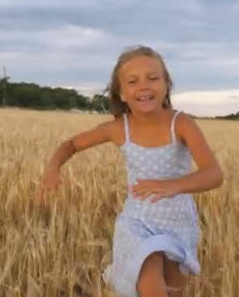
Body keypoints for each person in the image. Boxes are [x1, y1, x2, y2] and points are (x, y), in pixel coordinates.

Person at [34, 45, 224, 297]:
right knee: (147, 274)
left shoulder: (181, 123)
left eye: (153, 78)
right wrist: (52, 169)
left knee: (173, 288)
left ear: (166, 85)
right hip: (138, 219)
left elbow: (214, 174)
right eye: (132, 81)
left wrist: (170, 186)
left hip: (177, 221)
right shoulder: (117, 128)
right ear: (122, 94)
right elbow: (71, 144)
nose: (144, 86)